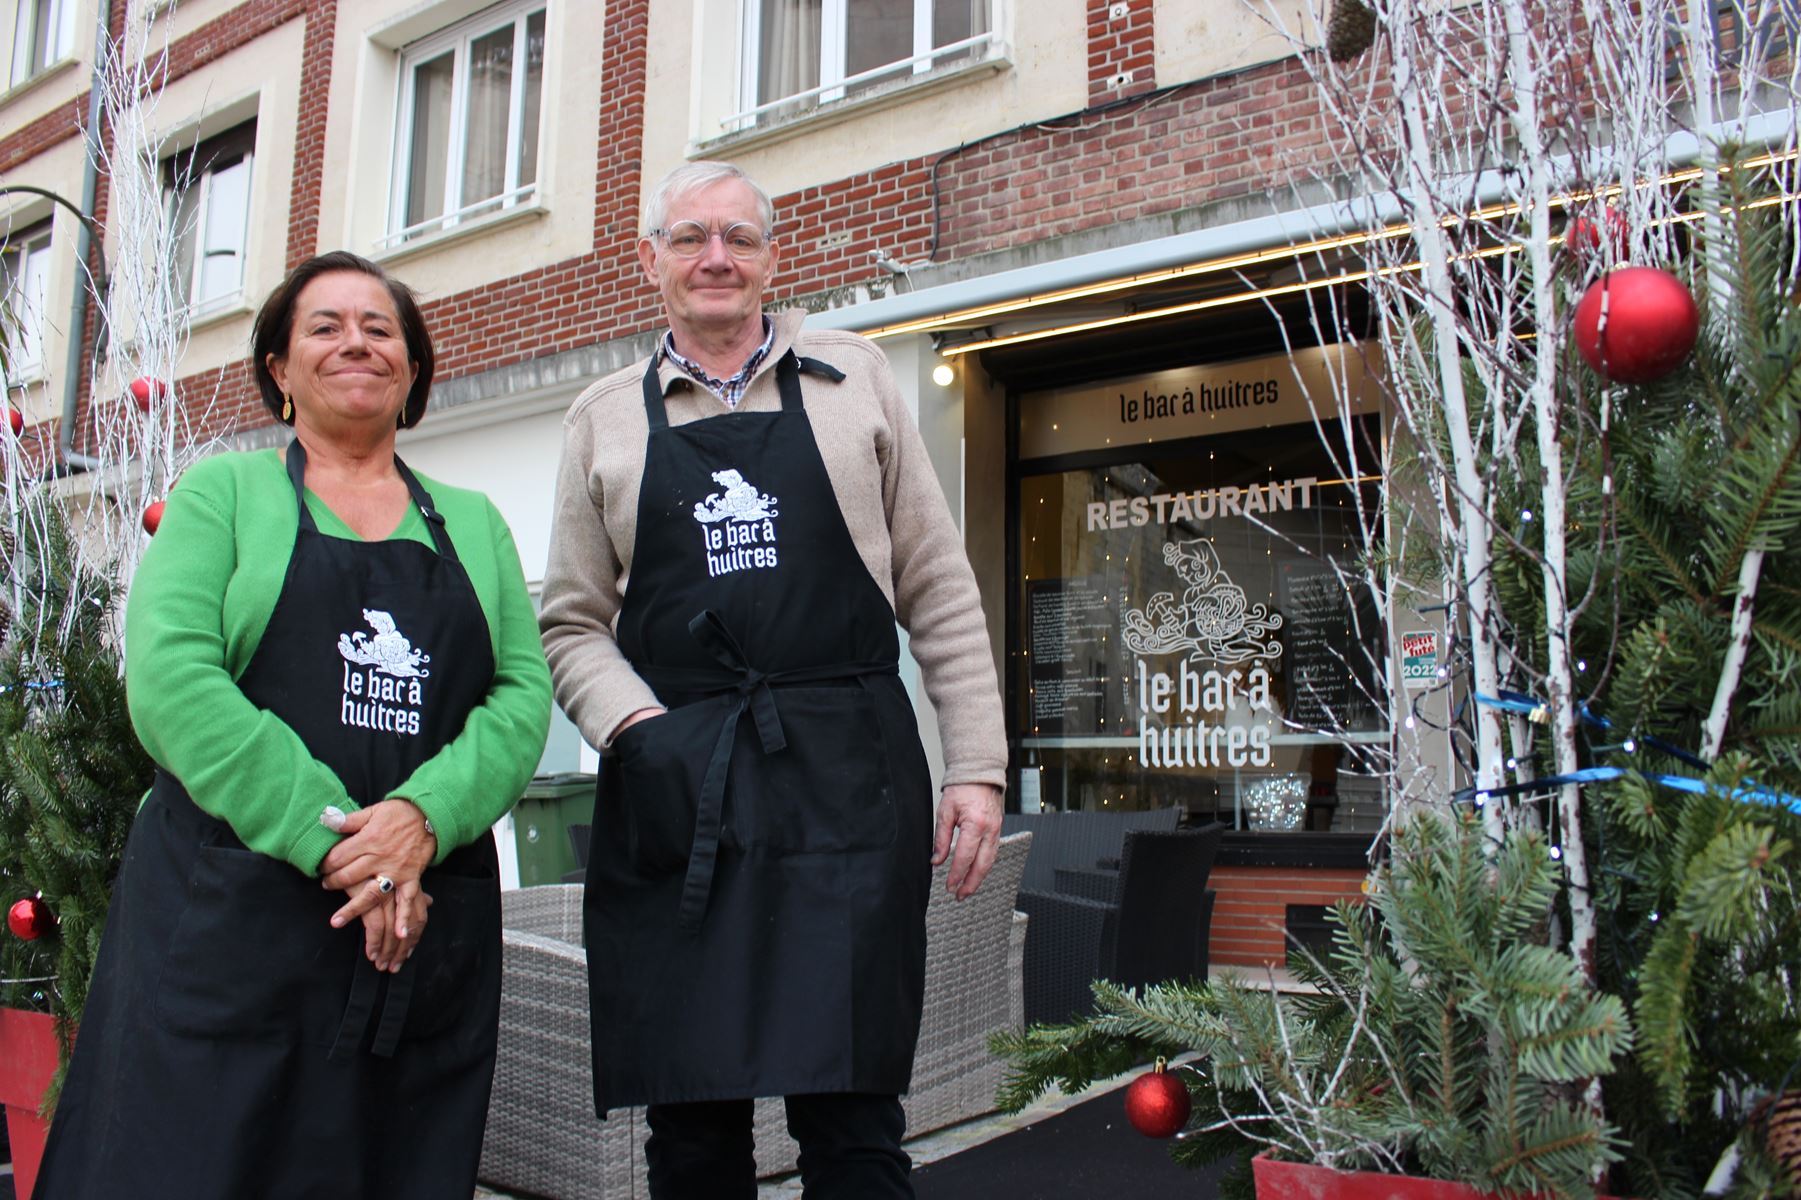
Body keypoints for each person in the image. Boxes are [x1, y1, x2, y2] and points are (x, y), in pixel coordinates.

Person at [34, 251, 552, 1199]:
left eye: (380, 327)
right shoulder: (220, 497)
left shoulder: (473, 522)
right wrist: (342, 842)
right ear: (279, 367)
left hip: (416, 929)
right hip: (233, 929)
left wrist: (421, 820)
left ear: (413, 366)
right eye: (324, 326)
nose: (356, 341)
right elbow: (171, 681)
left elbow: (520, 697)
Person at [539, 161, 1007, 1199]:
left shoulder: (857, 378)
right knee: (692, 1117)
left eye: (739, 239)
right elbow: (569, 621)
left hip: (847, 775)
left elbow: (936, 581)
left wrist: (974, 761)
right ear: (649, 257)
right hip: (679, 786)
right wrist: (637, 730)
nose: (716, 258)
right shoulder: (603, 418)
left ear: (771, 257)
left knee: (852, 1108)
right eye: (692, 237)